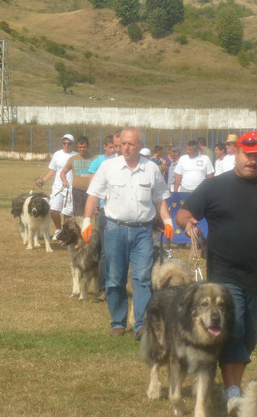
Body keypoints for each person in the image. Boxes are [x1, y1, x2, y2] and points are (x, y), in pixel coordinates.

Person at [176, 131, 257, 401]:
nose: (253, 161)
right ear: (236, 153)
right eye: (248, 155)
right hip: (224, 274)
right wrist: (187, 224)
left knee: (250, 333)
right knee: (234, 329)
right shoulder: (215, 186)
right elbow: (184, 212)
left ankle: (217, 366)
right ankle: (232, 390)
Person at [82, 127, 173, 339]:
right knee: (115, 278)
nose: (126, 147)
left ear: (140, 146)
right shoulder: (108, 167)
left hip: (142, 232)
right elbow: (93, 195)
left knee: (142, 278)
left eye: (131, 144)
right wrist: (86, 221)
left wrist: (167, 221)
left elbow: (160, 198)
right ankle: (118, 322)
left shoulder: (151, 169)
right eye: (123, 143)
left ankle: (140, 325)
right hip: (114, 230)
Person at [88, 134, 118, 303]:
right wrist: (96, 205)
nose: (116, 149)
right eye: (114, 146)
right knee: (105, 252)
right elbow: (93, 186)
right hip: (104, 211)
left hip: (124, 215)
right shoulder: (103, 163)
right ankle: (102, 289)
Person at [35, 134, 76, 240]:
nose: (66, 145)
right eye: (64, 143)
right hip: (58, 186)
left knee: (68, 213)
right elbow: (52, 170)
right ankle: (58, 230)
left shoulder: (76, 156)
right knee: (54, 210)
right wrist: (43, 180)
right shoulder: (57, 154)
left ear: (72, 144)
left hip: (71, 187)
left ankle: (66, 233)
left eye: (69, 143)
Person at [60, 136, 94, 217]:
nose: (82, 149)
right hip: (77, 192)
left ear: (88, 146)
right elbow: (62, 172)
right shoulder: (73, 159)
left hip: (91, 192)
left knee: (91, 215)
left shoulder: (94, 159)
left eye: (84, 147)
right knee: (78, 216)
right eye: (80, 147)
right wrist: (64, 181)